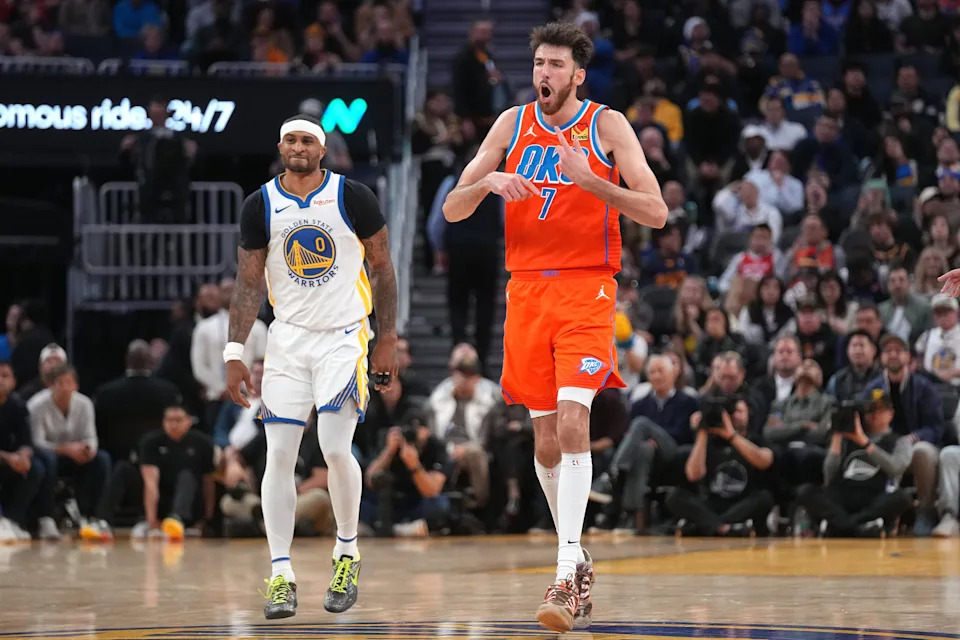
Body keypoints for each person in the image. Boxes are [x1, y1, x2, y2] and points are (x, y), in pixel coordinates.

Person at [441, 21, 668, 633]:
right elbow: (451, 209)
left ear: (578, 75)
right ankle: (580, 555)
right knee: (545, 443)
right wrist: (486, 182)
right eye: (539, 62)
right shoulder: (510, 124)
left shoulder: (607, 125)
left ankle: (565, 575)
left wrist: (593, 181)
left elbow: (658, 211)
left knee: (574, 422)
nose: (544, 72)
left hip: (588, 289)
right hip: (526, 292)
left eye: (556, 64)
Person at [223, 113, 398, 620]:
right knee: (278, 456)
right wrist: (235, 354)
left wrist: (386, 339)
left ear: (322, 150)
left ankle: (347, 551)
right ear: (280, 146)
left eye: (308, 141)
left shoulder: (353, 196)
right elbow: (248, 281)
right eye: (291, 140)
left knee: (335, 448)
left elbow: (383, 268)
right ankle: (281, 574)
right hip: (288, 341)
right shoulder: (261, 204)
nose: (298, 147)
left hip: (345, 336)